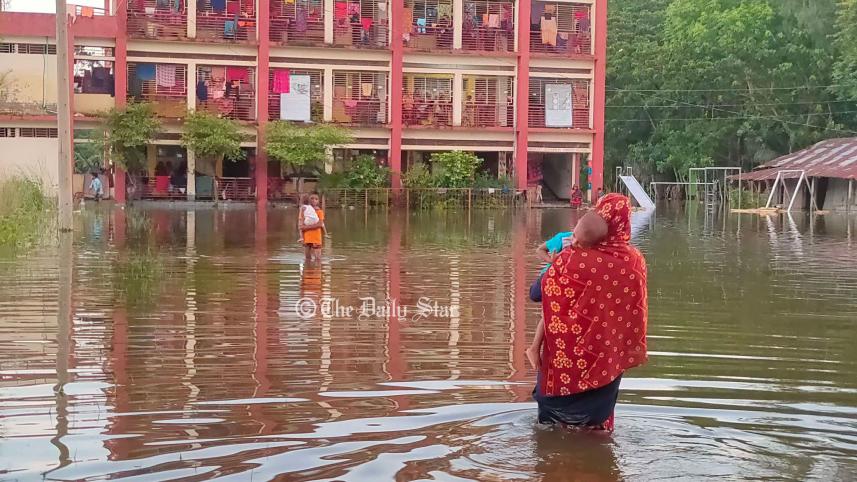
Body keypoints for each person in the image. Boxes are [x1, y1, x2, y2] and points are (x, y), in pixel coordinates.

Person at [532, 193, 648, 432]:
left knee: (552, 432)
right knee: (597, 430)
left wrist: (554, 265)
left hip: (564, 365)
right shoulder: (635, 261)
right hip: (606, 361)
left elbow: (536, 293)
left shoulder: (569, 259)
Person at [526, 214, 608, 371]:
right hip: (547, 277)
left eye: (580, 241)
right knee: (546, 308)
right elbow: (540, 250)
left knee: (550, 312)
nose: (575, 242)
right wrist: (552, 261)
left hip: (563, 285)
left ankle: (536, 348)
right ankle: (534, 347)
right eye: (575, 237)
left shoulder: (592, 252)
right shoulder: (563, 238)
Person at [298, 193, 326, 262]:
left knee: (318, 259)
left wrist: (306, 228)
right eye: (312, 198)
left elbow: (320, 224)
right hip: (306, 237)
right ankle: (308, 271)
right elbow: (301, 223)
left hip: (316, 237)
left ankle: (316, 272)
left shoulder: (320, 212)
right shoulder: (304, 210)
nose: (314, 200)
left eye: (316, 199)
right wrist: (302, 234)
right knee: (307, 259)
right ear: (308, 201)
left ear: (318, 201)